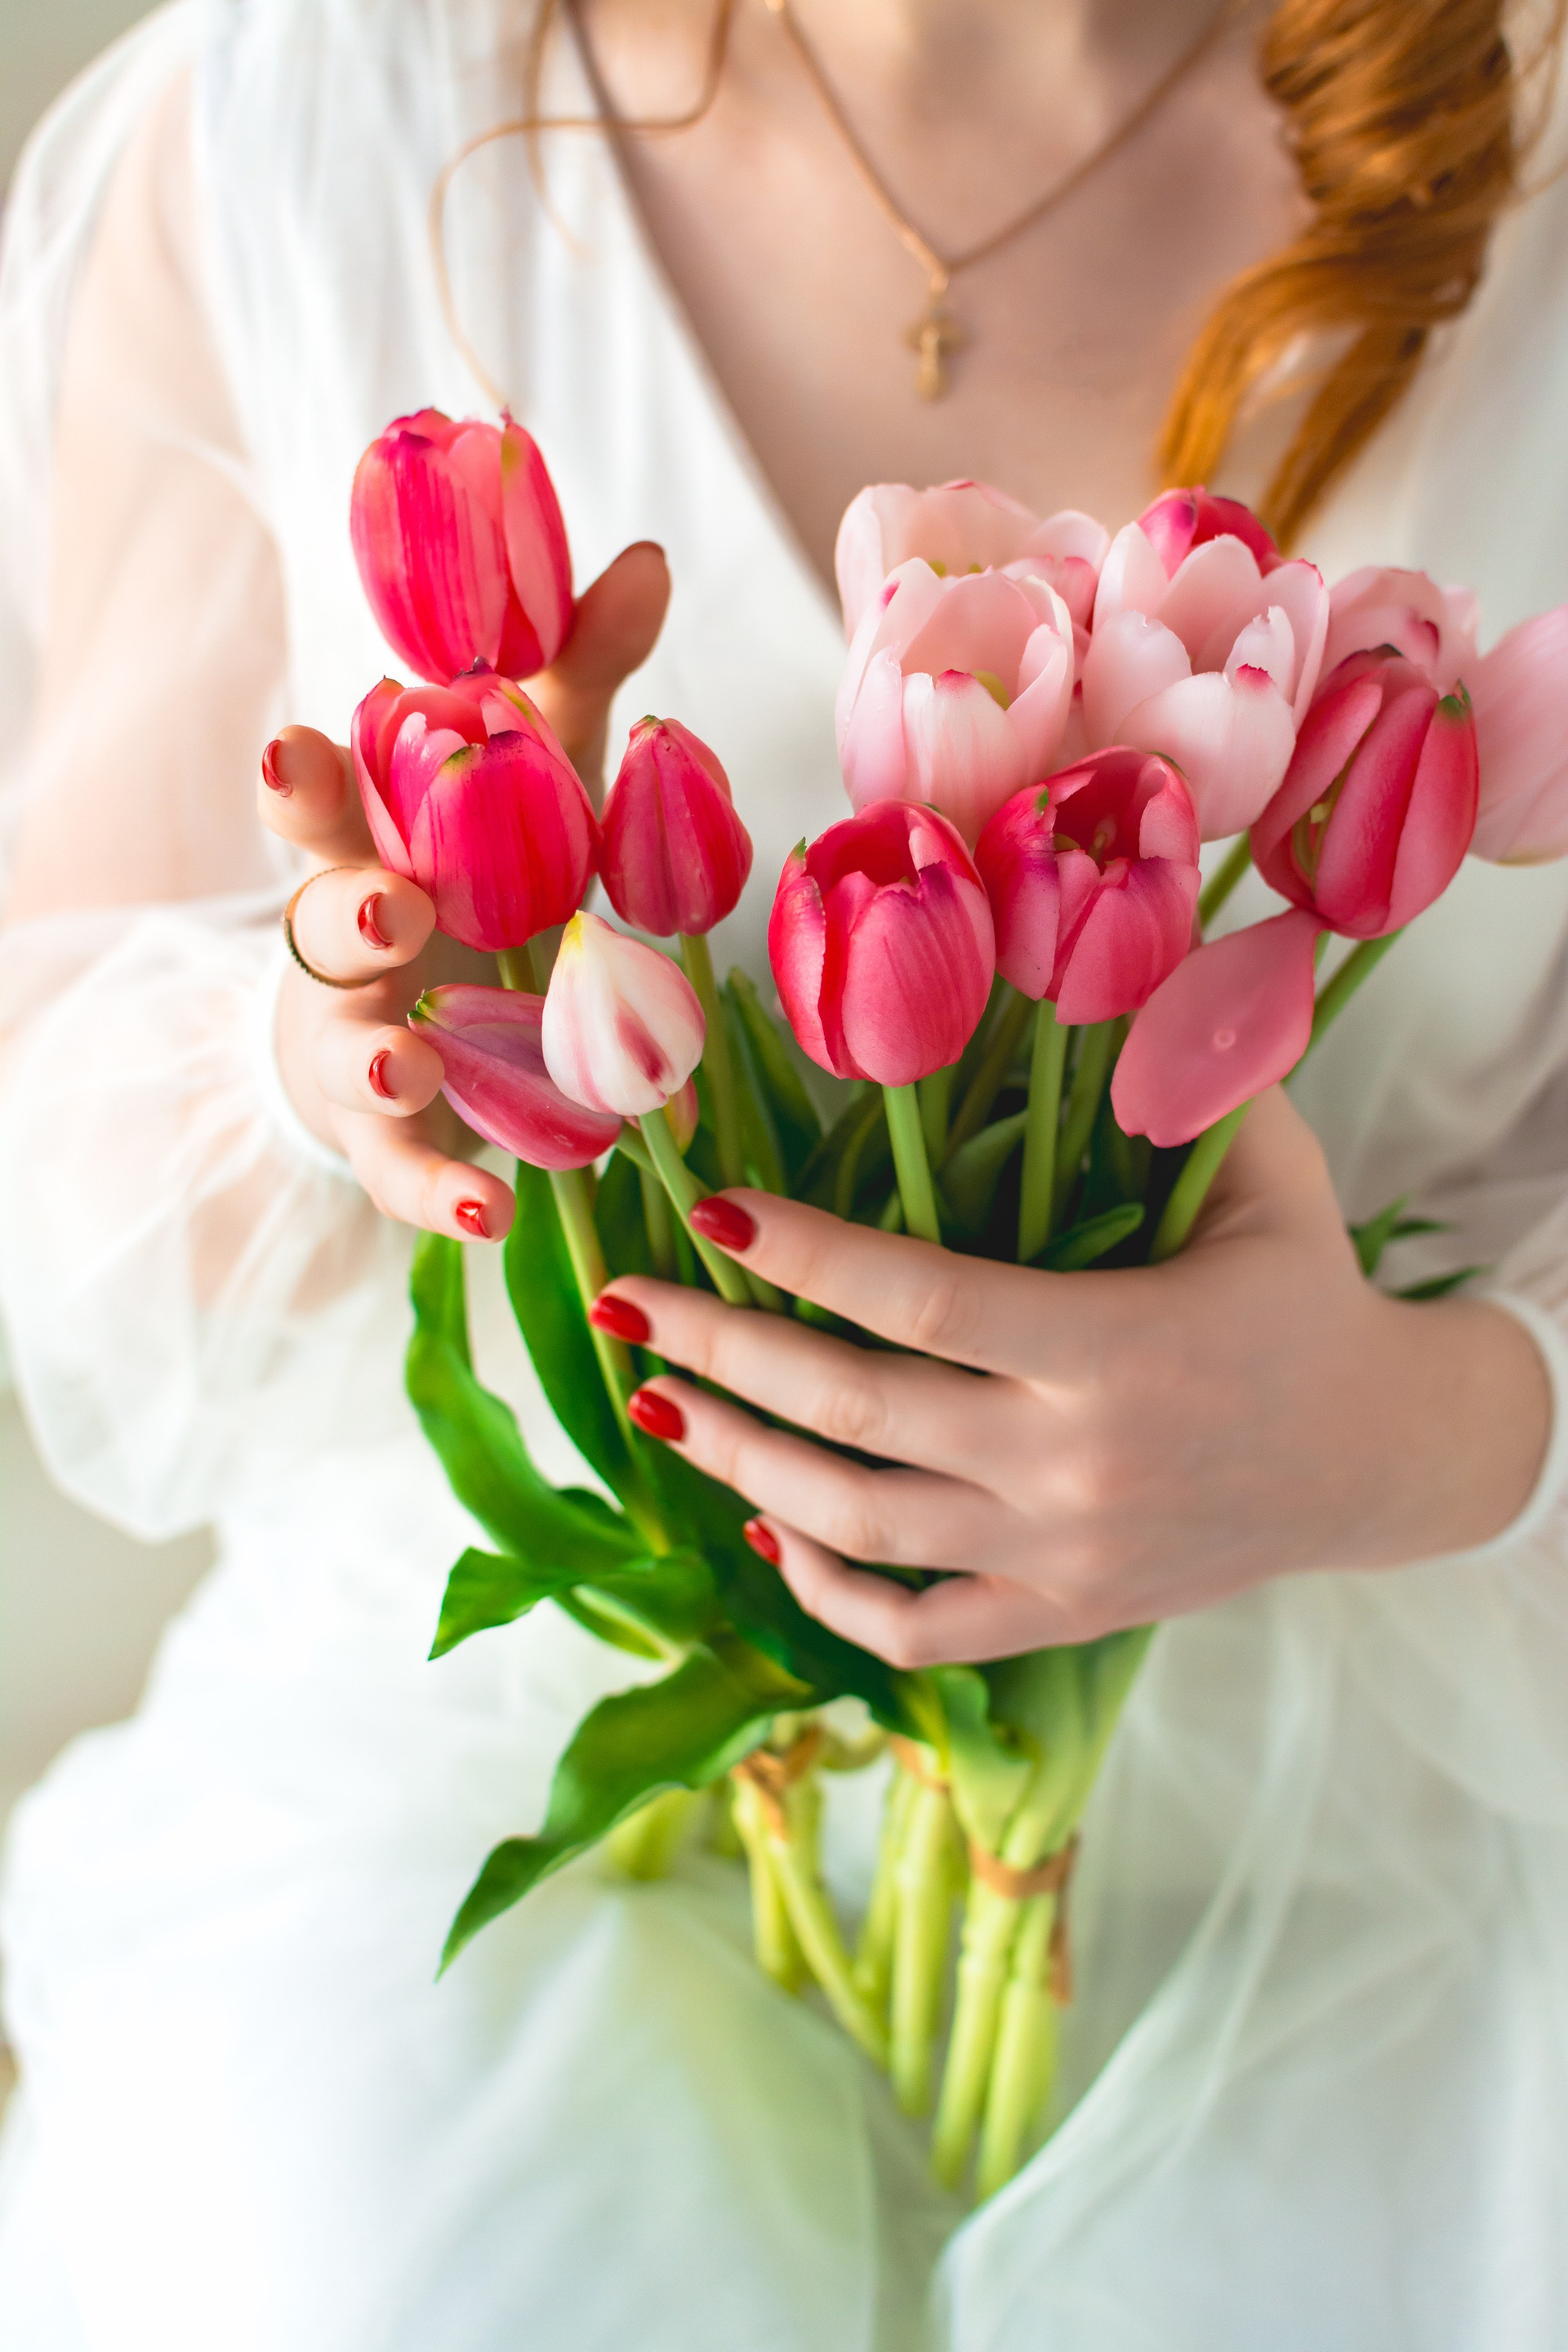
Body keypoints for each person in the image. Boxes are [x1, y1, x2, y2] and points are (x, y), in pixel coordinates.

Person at [2, 0, 1567, 2341]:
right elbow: (78, 1188)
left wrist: (1416, 1436)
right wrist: (328, 1062)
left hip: (1375, 1802)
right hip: (500, 1788)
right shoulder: (306, 125)